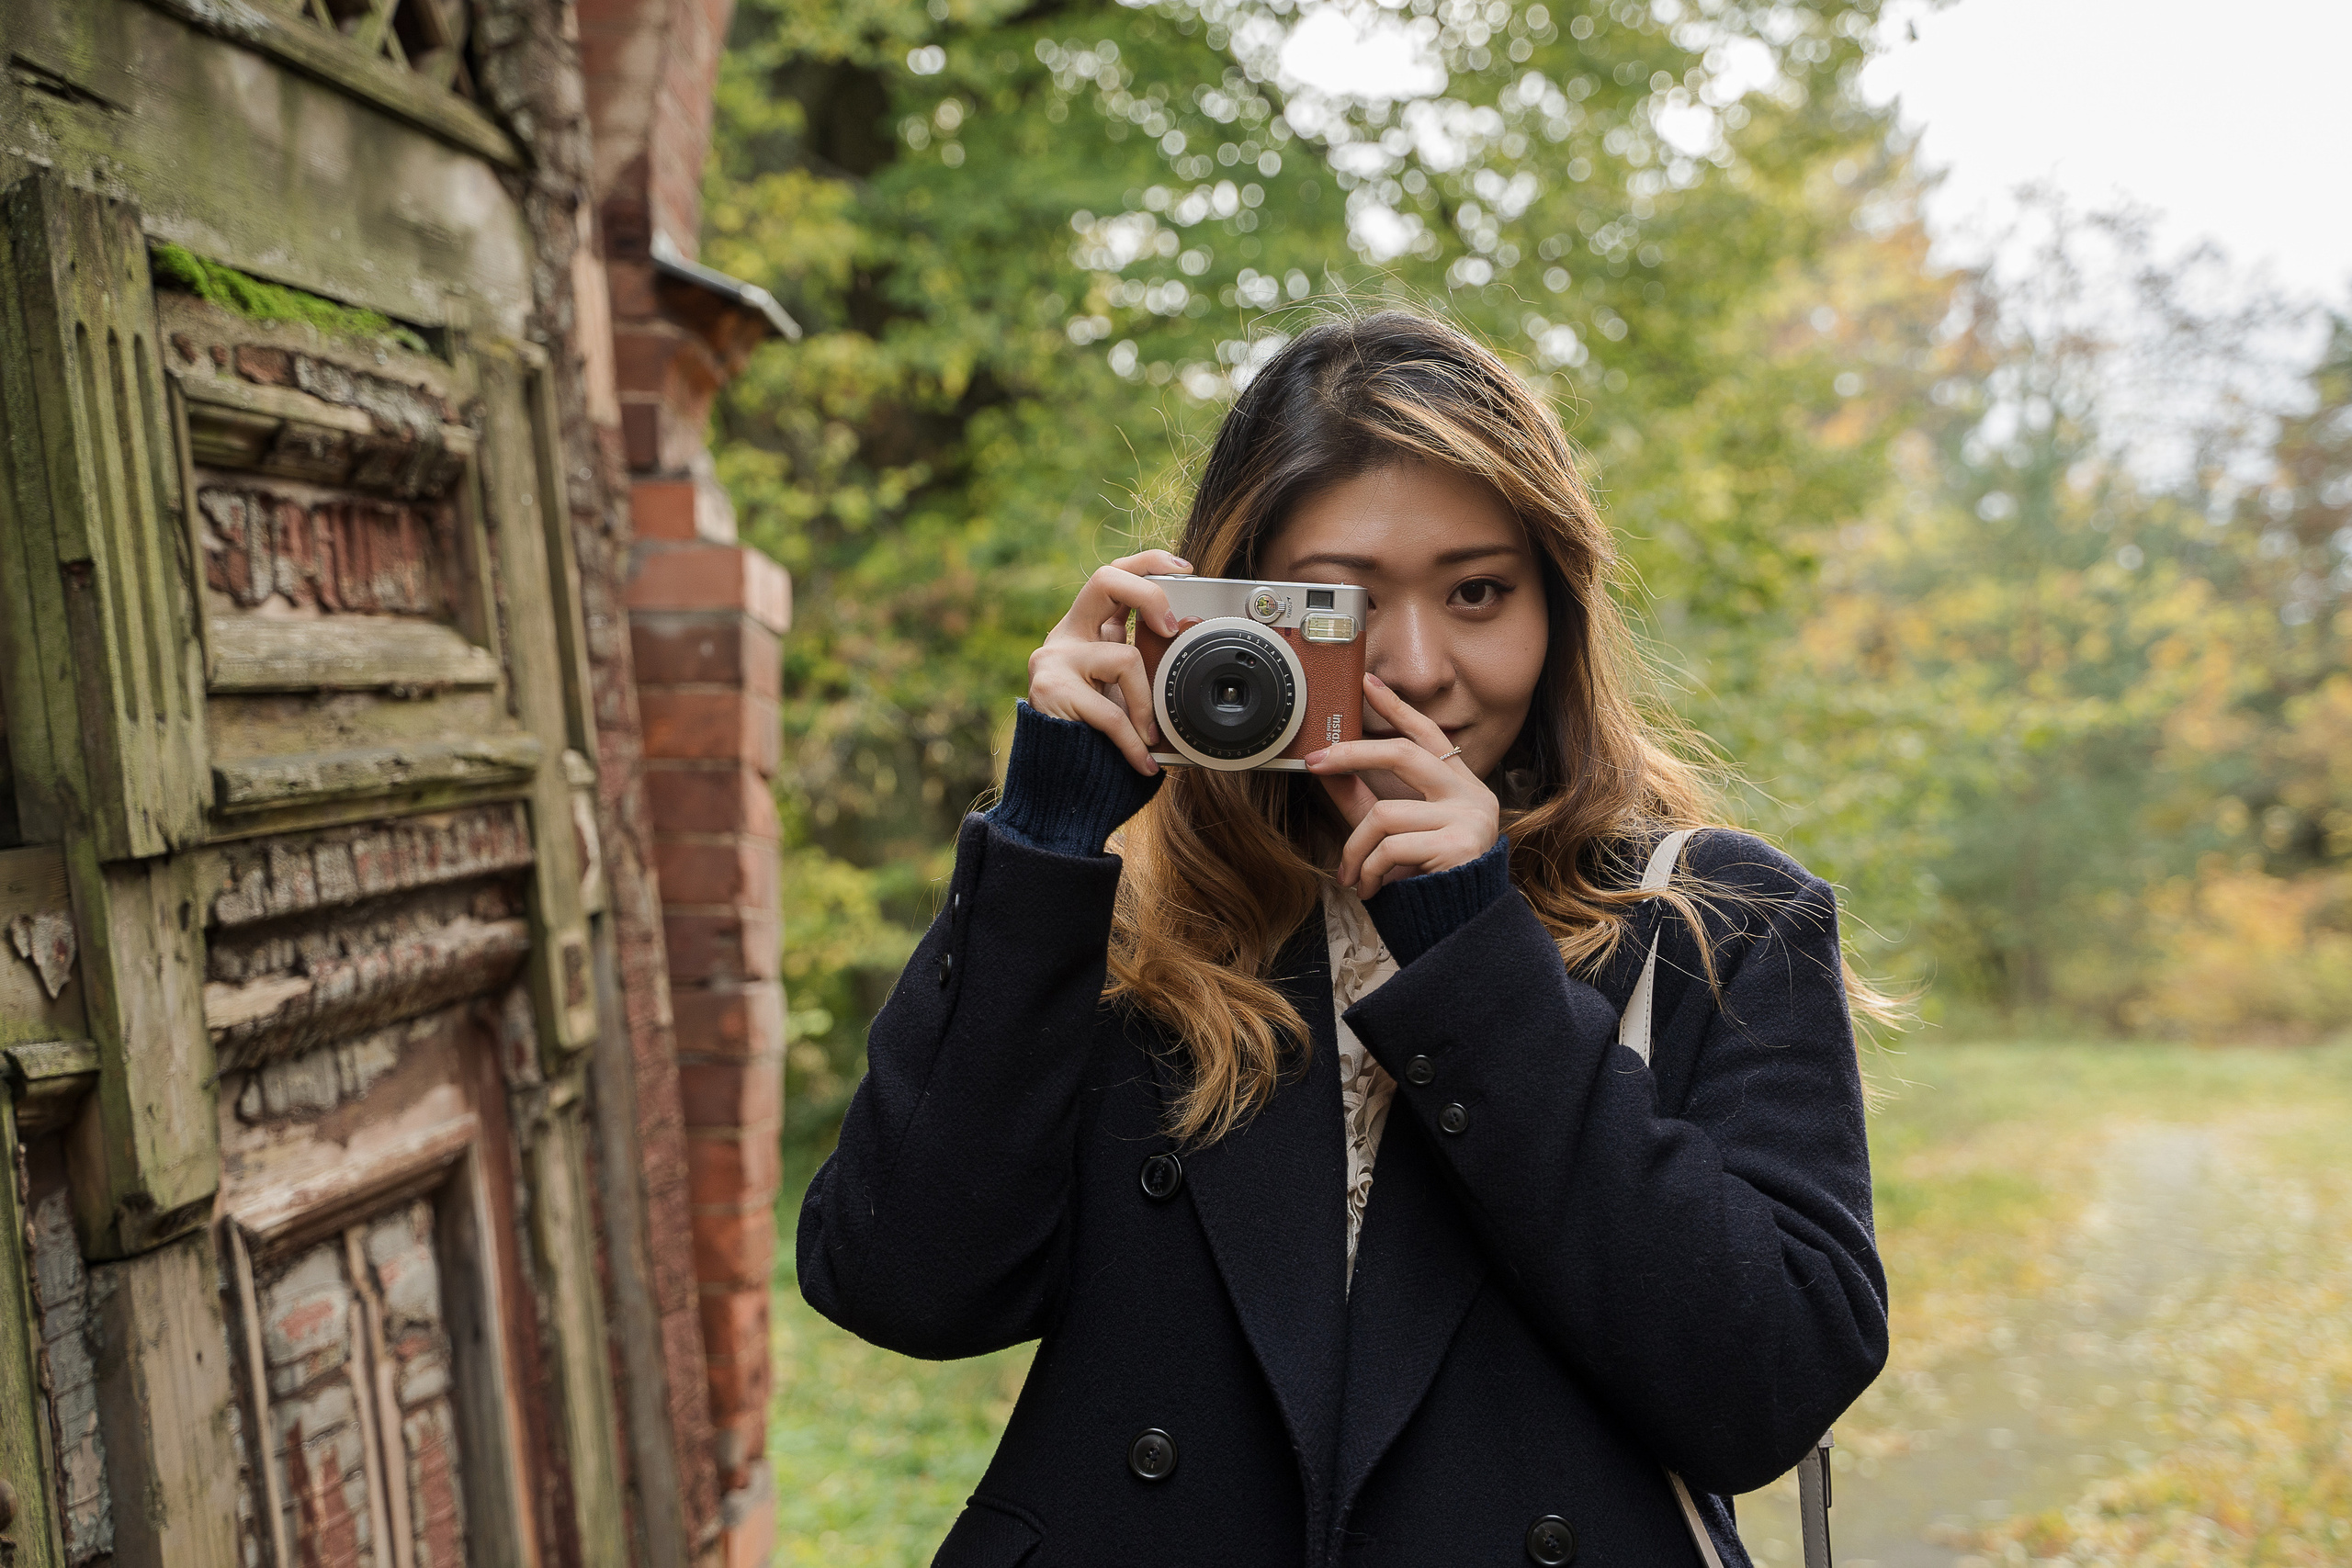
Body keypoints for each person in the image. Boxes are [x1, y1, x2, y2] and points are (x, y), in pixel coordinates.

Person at [798, 310, 1889, 1567]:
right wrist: (1044, 845)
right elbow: (903, 1288)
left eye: (1479, 592)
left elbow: (1769, 1386)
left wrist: (1477, 957)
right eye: (1344, 605)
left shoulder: (1713, 921)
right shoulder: (1139, 929)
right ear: (1233, 610)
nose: (1420, 667)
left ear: (1558, 608)